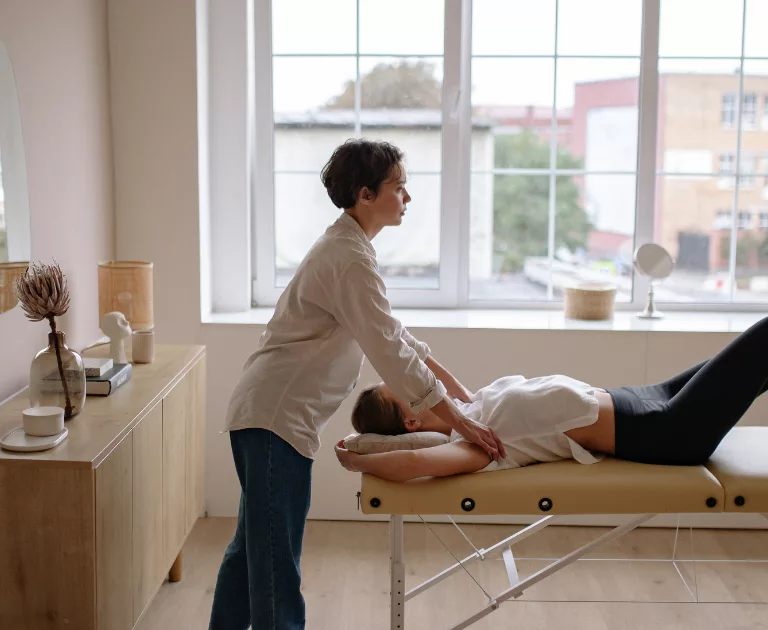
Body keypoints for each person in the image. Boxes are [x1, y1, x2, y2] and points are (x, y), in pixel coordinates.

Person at [208, 139, 506, 630]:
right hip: (273, 421)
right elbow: (390, 352)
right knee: (274, 565)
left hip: (270, 417)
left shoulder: (350, 250)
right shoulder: (348, 258)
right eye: (398, 188)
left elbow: (398, 338)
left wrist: (462, 395)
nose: (407, 198)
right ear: (365, 195)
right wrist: (462, 423)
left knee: (252, 553)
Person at [335, 315, 768, 482]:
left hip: (645, 397)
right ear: (411, 422)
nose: (418, 382)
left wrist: (396, 345)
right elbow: (411, 465)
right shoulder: (473, 445)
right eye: (406, 389)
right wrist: (357, 459)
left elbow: (422, 363)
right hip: (666, 430)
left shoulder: (465, 408)